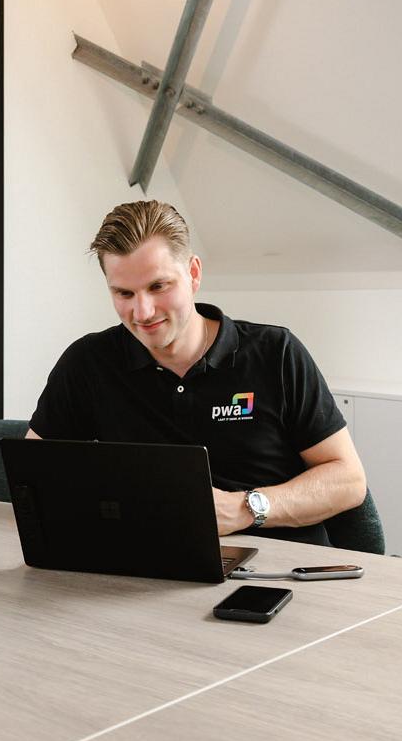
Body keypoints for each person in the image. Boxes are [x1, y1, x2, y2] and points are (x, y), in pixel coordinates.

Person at [27, 200, 367, 545]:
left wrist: (245, 508)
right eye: (124, 293)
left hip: (278, 567)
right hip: (146, 563)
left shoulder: (276, 353)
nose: (142, 312)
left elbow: (348, 481)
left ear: (193, 274)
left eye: (158, 286)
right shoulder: (88, 362)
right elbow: (33, 476)